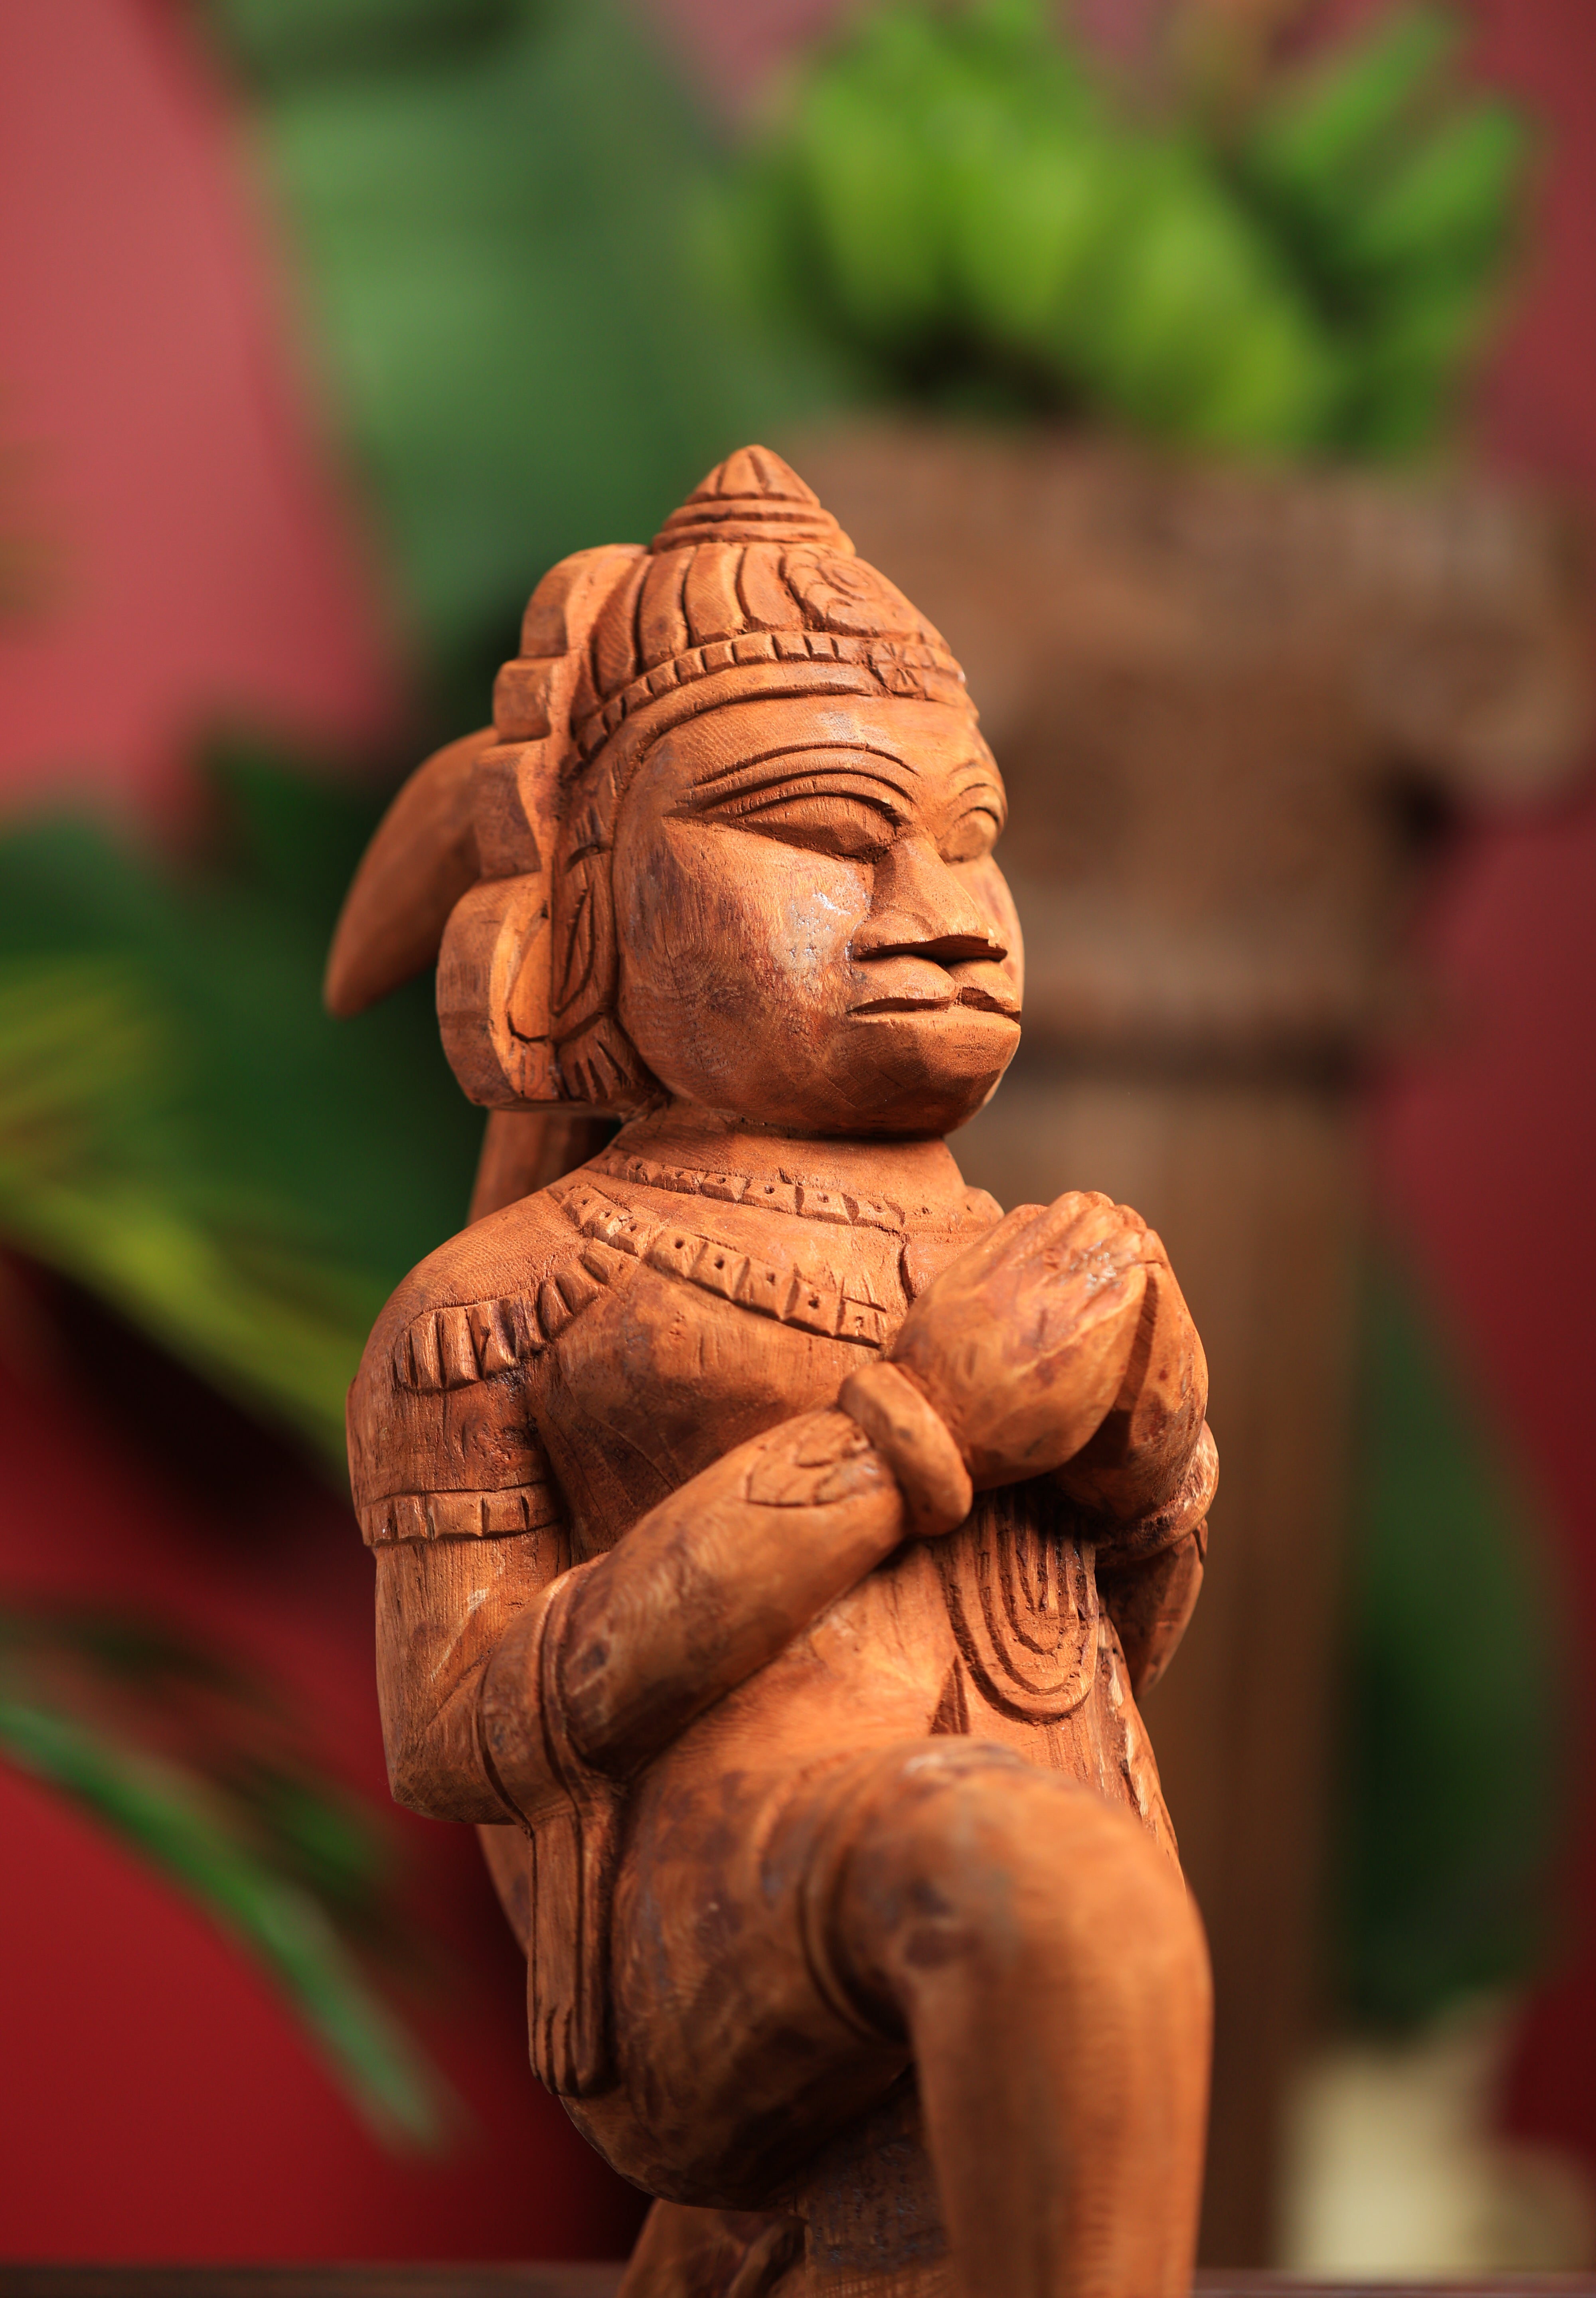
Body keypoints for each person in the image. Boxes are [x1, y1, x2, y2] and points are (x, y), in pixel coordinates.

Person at [333, 449, 1217, 2298]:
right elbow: (459, 1727)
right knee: (1052, 1900)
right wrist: (910, 1437)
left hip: (1004, 1880)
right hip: (713, 1936)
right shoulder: (515, 1301)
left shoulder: (1035, 1248)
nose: (945, 905)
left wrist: (1148, 1457)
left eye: (971, 834)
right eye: (825, 833)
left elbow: (1096, 1638)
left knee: (1064, 1914)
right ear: (590, 913)